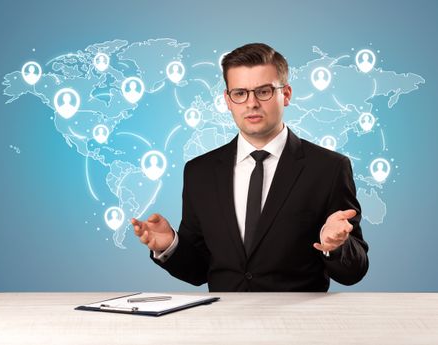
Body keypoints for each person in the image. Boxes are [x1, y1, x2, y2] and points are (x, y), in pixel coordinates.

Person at [131, 43, 369, 292]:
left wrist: (336, 245)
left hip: (296, 324)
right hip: (223, 323)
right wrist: (170, 245)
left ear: (286, 94)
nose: (251, 103)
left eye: (264, 91)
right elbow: (199, 270)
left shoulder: (328, 169)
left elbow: (355, 271)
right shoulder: (199, 172)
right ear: (228, 100)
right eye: (240, 93)